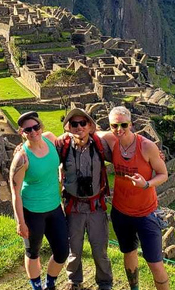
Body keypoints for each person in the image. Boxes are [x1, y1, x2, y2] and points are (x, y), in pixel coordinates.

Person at [98, 106, 169, 290]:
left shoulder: (146, 146)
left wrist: (146, 184)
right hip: (121, 212)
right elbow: (85, 131)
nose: (119, 129)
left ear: (131, 124)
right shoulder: (111, 141)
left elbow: (163, 174)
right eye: (115, 125)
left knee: (155, 262)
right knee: (128, 253)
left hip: (146, 213)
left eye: (123, 125)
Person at [56, 108, 113, 290]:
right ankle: (74, 281)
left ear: (90, 126)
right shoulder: (62, 146)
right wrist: (22, 146)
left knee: (99, 249)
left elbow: (123, 157)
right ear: (69, 127)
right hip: (74, 206)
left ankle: (105, 283)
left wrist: (153, 156)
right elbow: (42, 149)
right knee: (75, 248)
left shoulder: (99, 145)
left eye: (83, 123)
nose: (79, 127)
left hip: (96, 206)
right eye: (74, 124)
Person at [10, 111, 68, 290]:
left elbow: (76, 137)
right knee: (33, 252)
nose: (33, 132)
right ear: (22, 133)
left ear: (41, 127)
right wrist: (20, 222)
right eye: (28, 130)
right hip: (32, 211)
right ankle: (36, 286)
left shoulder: (50, 139)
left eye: (36, 127)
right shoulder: (21, 158)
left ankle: (50, 283)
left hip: (54, 207)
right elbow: (15, 192)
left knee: (62, 251)